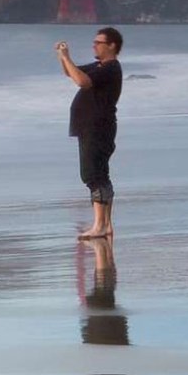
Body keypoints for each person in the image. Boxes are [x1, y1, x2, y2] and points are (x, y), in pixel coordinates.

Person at [55, 26, 123, 239]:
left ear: (111, 46)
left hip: (97, 127)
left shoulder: (111, 68)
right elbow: (71, 72)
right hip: (92, 127)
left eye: (98, 42)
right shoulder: (99, 66)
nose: (94, 45)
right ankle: (105, 224)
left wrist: (66, 57)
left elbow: (82, 81)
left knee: (92, 175)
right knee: (100, 174)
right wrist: (63, 56)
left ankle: (100, 225)